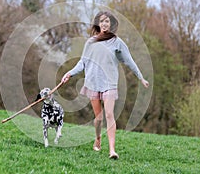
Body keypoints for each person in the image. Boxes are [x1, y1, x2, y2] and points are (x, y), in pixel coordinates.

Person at [61, 11, 149, 159]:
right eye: (102, 21)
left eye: (107, 21)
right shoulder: (90, 42)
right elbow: (82, 63)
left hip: (109, 82)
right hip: (93, 82)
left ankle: (112, 150)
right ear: (98, 24)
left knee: (109, 114)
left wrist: (141, 77)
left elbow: (129, 60)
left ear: (111, 24)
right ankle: (98, 138)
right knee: (99, 118)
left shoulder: (117, 42)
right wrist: (69, 73)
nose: (104, 24)